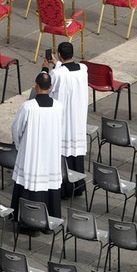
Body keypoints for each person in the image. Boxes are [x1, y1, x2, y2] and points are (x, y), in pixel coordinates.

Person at [10, 73, 65, 221]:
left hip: (31, 154)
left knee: (29, 183)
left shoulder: (28, 107)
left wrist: (20, 145)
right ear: (51, 87)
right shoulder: (59, 107)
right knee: (49, 183)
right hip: (50, 154)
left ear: (36, 86)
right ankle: (49, 219)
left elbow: (16, 129)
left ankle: (27, 221)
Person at [45, 41, 88, 198]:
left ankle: (64, 188)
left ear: (60, 55)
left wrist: (49, 66)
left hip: (63, 119)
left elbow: (48, 88)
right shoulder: (83, 69)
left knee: (63, 153)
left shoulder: (56, 74)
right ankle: (78, 186)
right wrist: (56, 63)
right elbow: (68, 72)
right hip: (77, 117)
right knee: (75, 153)